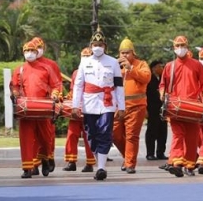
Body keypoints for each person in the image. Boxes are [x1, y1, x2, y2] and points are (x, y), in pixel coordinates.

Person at [72, 28, 125, 181]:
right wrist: (76, 105)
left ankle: (101, 168)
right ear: (91, 46)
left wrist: (121, 107)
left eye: (100, 44)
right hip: (89, 104)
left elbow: (119, 86)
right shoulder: (84, 62)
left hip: (107, 102)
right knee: (91, 135)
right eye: (95, 44)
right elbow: (78, 85)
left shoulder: (113, 62)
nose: (98, 47)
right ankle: (99, 164)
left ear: (105, 47)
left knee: (105, 132)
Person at [159, 35, 203, 177]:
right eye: (178, 46)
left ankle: (189, 165)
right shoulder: (170, 66)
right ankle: (176, 163)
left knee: (192, 137)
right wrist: (162, 94)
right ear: (174, 48)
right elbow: (162, 84)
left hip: (193, 106)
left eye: (183, 46)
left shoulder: (196, 64)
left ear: (187, 47)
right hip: (175, 106)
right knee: (178, 134)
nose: (180, 48)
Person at [10, 41, 58, 178]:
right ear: (23, 52)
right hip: (26, 109)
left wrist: (55, 94)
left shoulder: (46, 68)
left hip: (43, 109)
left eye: (32, 50)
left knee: (45, 137)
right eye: (26, 51)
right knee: (26, 138)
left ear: (37, 53)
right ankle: (27, 168)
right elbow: (15, 86)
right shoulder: (19, 70)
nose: (29, 53)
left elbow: (55, 85)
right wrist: (15, 93)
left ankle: (45, 159)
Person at [113, 37, 151, 174]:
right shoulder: (114, 66)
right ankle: (127, 156)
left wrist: (131, 68)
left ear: (133, 53)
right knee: (114, 134)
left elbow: (146, 77)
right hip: (117, 107)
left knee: (132, 136)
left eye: (127, 53)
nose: (124, 56)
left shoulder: (141, 64)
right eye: (122, 53)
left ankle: (130, 164)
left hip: (136, 106)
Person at [30, 36, 63, 176]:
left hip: (47, 105)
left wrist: (56, 99)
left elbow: (58, 84)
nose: (36, 51)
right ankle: (34, 164)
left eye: (39, 48)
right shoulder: (26, 66)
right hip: (31, 105)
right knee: (32, 136)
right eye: (34, 48)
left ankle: (48, 158)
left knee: (47, 135)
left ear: (44, 49)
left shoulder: (51, 65)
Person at [62, 47, 96, 172]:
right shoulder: (76, 73)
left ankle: (90, 163)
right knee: (72, 134)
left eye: (88, 56)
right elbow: (73, 91)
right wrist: (68, 99)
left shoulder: (96, 71)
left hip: (90, 108)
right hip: (76, 109)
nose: (85, 58)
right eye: (83, 56)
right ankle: (71, 162)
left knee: (89, 136)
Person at [145, 60, 168, 161]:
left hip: (163, 109)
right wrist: (145, 109)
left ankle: (160, 152)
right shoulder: (149, 79)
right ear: (154, 68)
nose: (161, 68)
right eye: (159, 66)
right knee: (152, 131)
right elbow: (145, 95)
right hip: (152, 109)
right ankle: (150, 153)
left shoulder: (163, 79)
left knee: (163, 131)